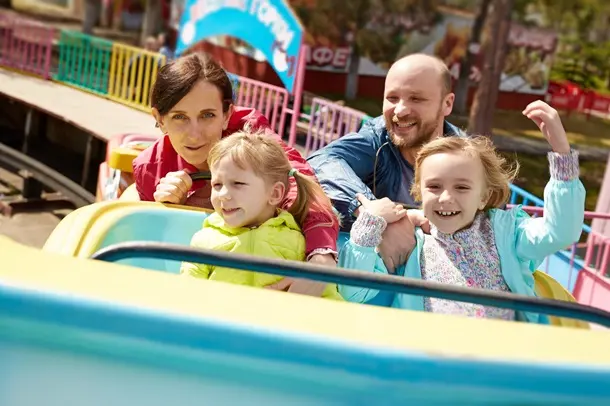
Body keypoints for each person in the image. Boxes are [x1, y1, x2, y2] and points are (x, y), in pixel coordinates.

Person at [338, 101, 586, 324]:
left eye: (462, 187)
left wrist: (562, 154)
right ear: (419, 193)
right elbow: (355, 293)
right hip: (432, 360)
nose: (446, 197)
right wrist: (369, 225)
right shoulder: (410, 243)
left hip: (496, 360)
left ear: (484, 197)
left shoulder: (508, 235)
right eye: (434, 187)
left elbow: (561, 231)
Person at [132, 52, 339, 289]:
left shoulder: (252, 136)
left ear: (227, 114)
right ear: (159, 118)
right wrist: (166, 209)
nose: (194, 133)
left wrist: (321, 257)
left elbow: (298, 182)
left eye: (207, 115)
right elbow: (153, 256)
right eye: (179, 117)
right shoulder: (150, 168)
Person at [308, 53, 464, 272]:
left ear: (447, 104)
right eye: (392, 98)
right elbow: (321, 161)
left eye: (416, 99)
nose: (400, 110)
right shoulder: (377, 139)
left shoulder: (469, 159)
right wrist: (371, 211)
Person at [180, 131, 343, 300]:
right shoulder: (204, 241)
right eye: (217, 184)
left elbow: (327, 298)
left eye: (238, 183)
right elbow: (186, 296)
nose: (223, 194)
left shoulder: (296, 243)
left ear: (274, 193)